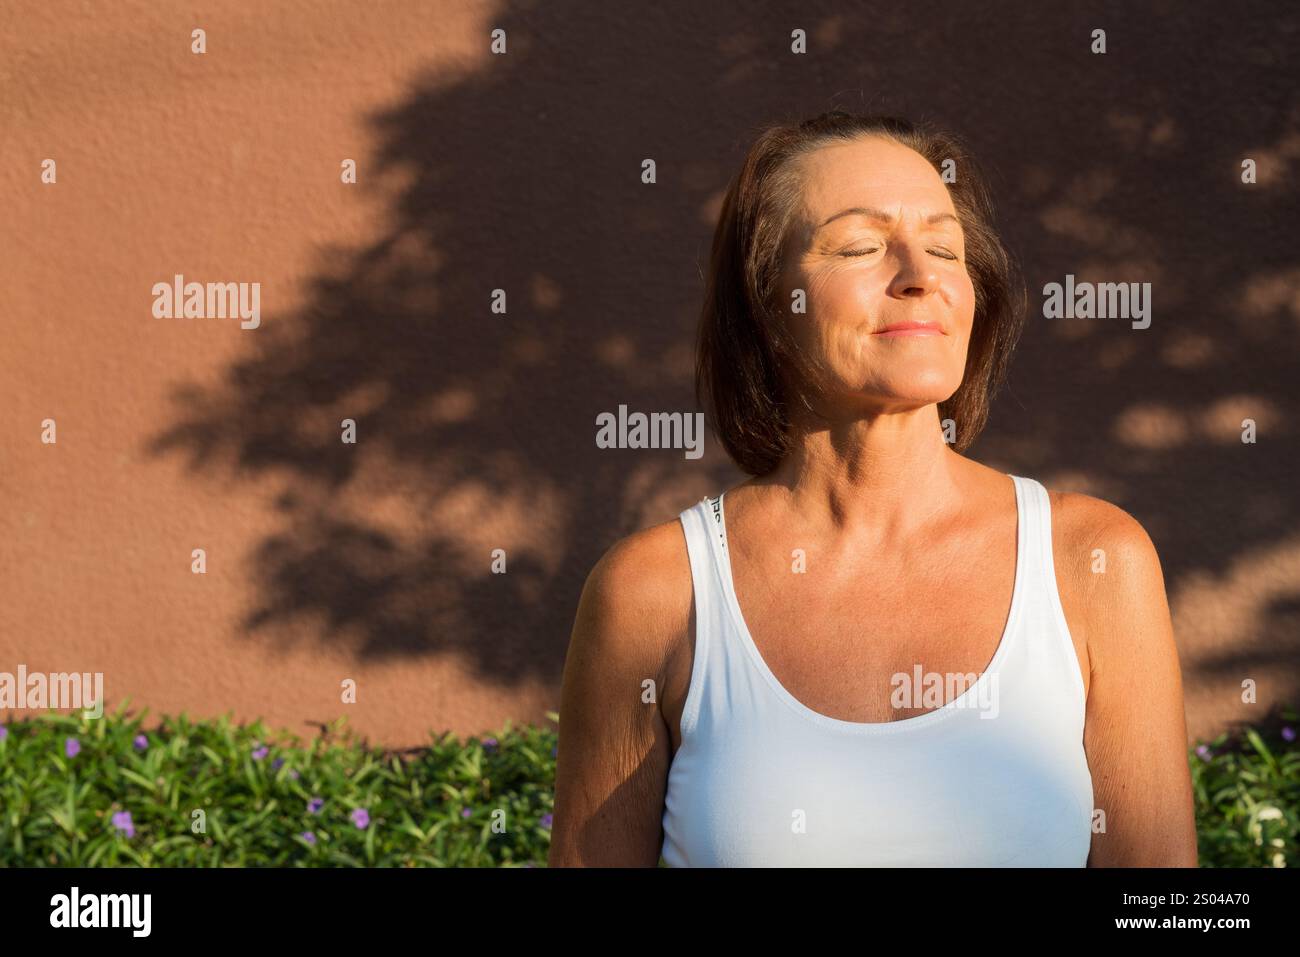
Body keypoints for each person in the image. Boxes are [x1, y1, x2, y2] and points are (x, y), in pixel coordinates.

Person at [548, 111, 1197, 867]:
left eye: (945, 247)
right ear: (766, 304)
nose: (920, 274)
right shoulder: (651, 593)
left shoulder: (1093, 562)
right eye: (859, 245)